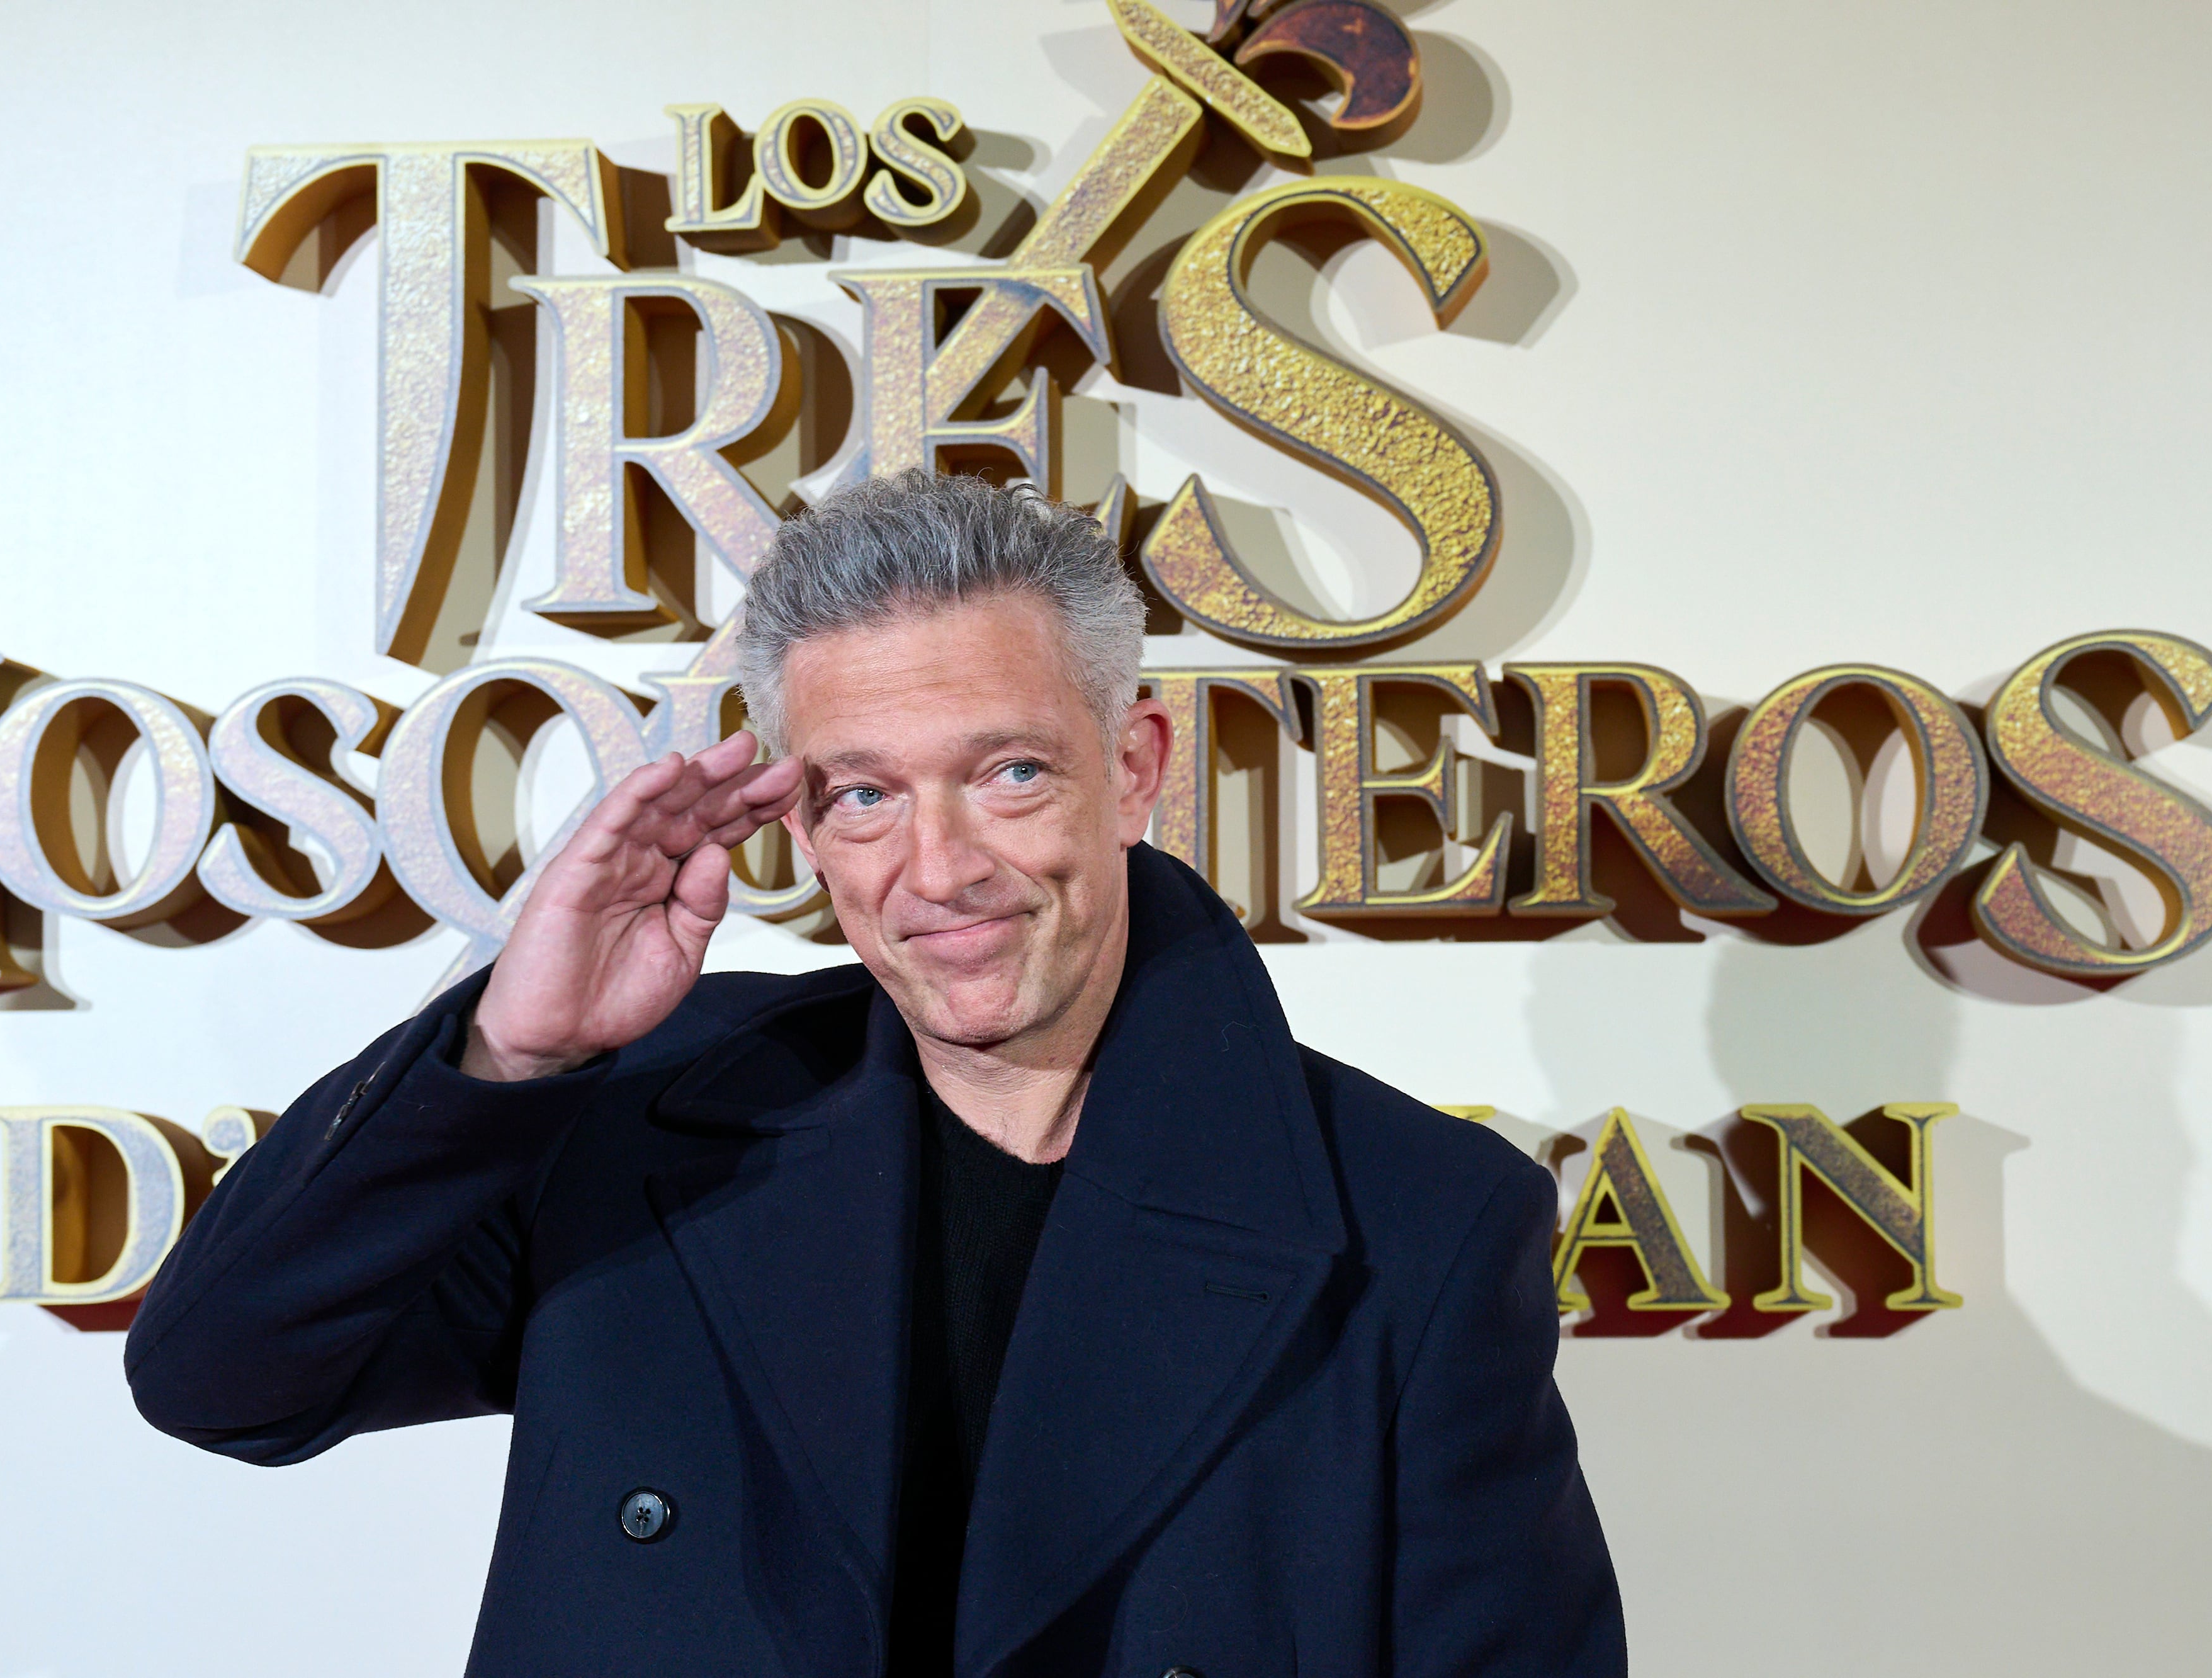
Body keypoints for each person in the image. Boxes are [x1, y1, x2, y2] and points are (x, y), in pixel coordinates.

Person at [126, 468, 1625, 1676]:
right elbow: (224, 1378)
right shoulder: (641, 1116)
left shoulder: (1416, 1220)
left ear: (1139, 764)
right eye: (863, 795)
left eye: (1009, 773)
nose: (939, 870)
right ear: (798, 826)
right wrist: (507, 1050)